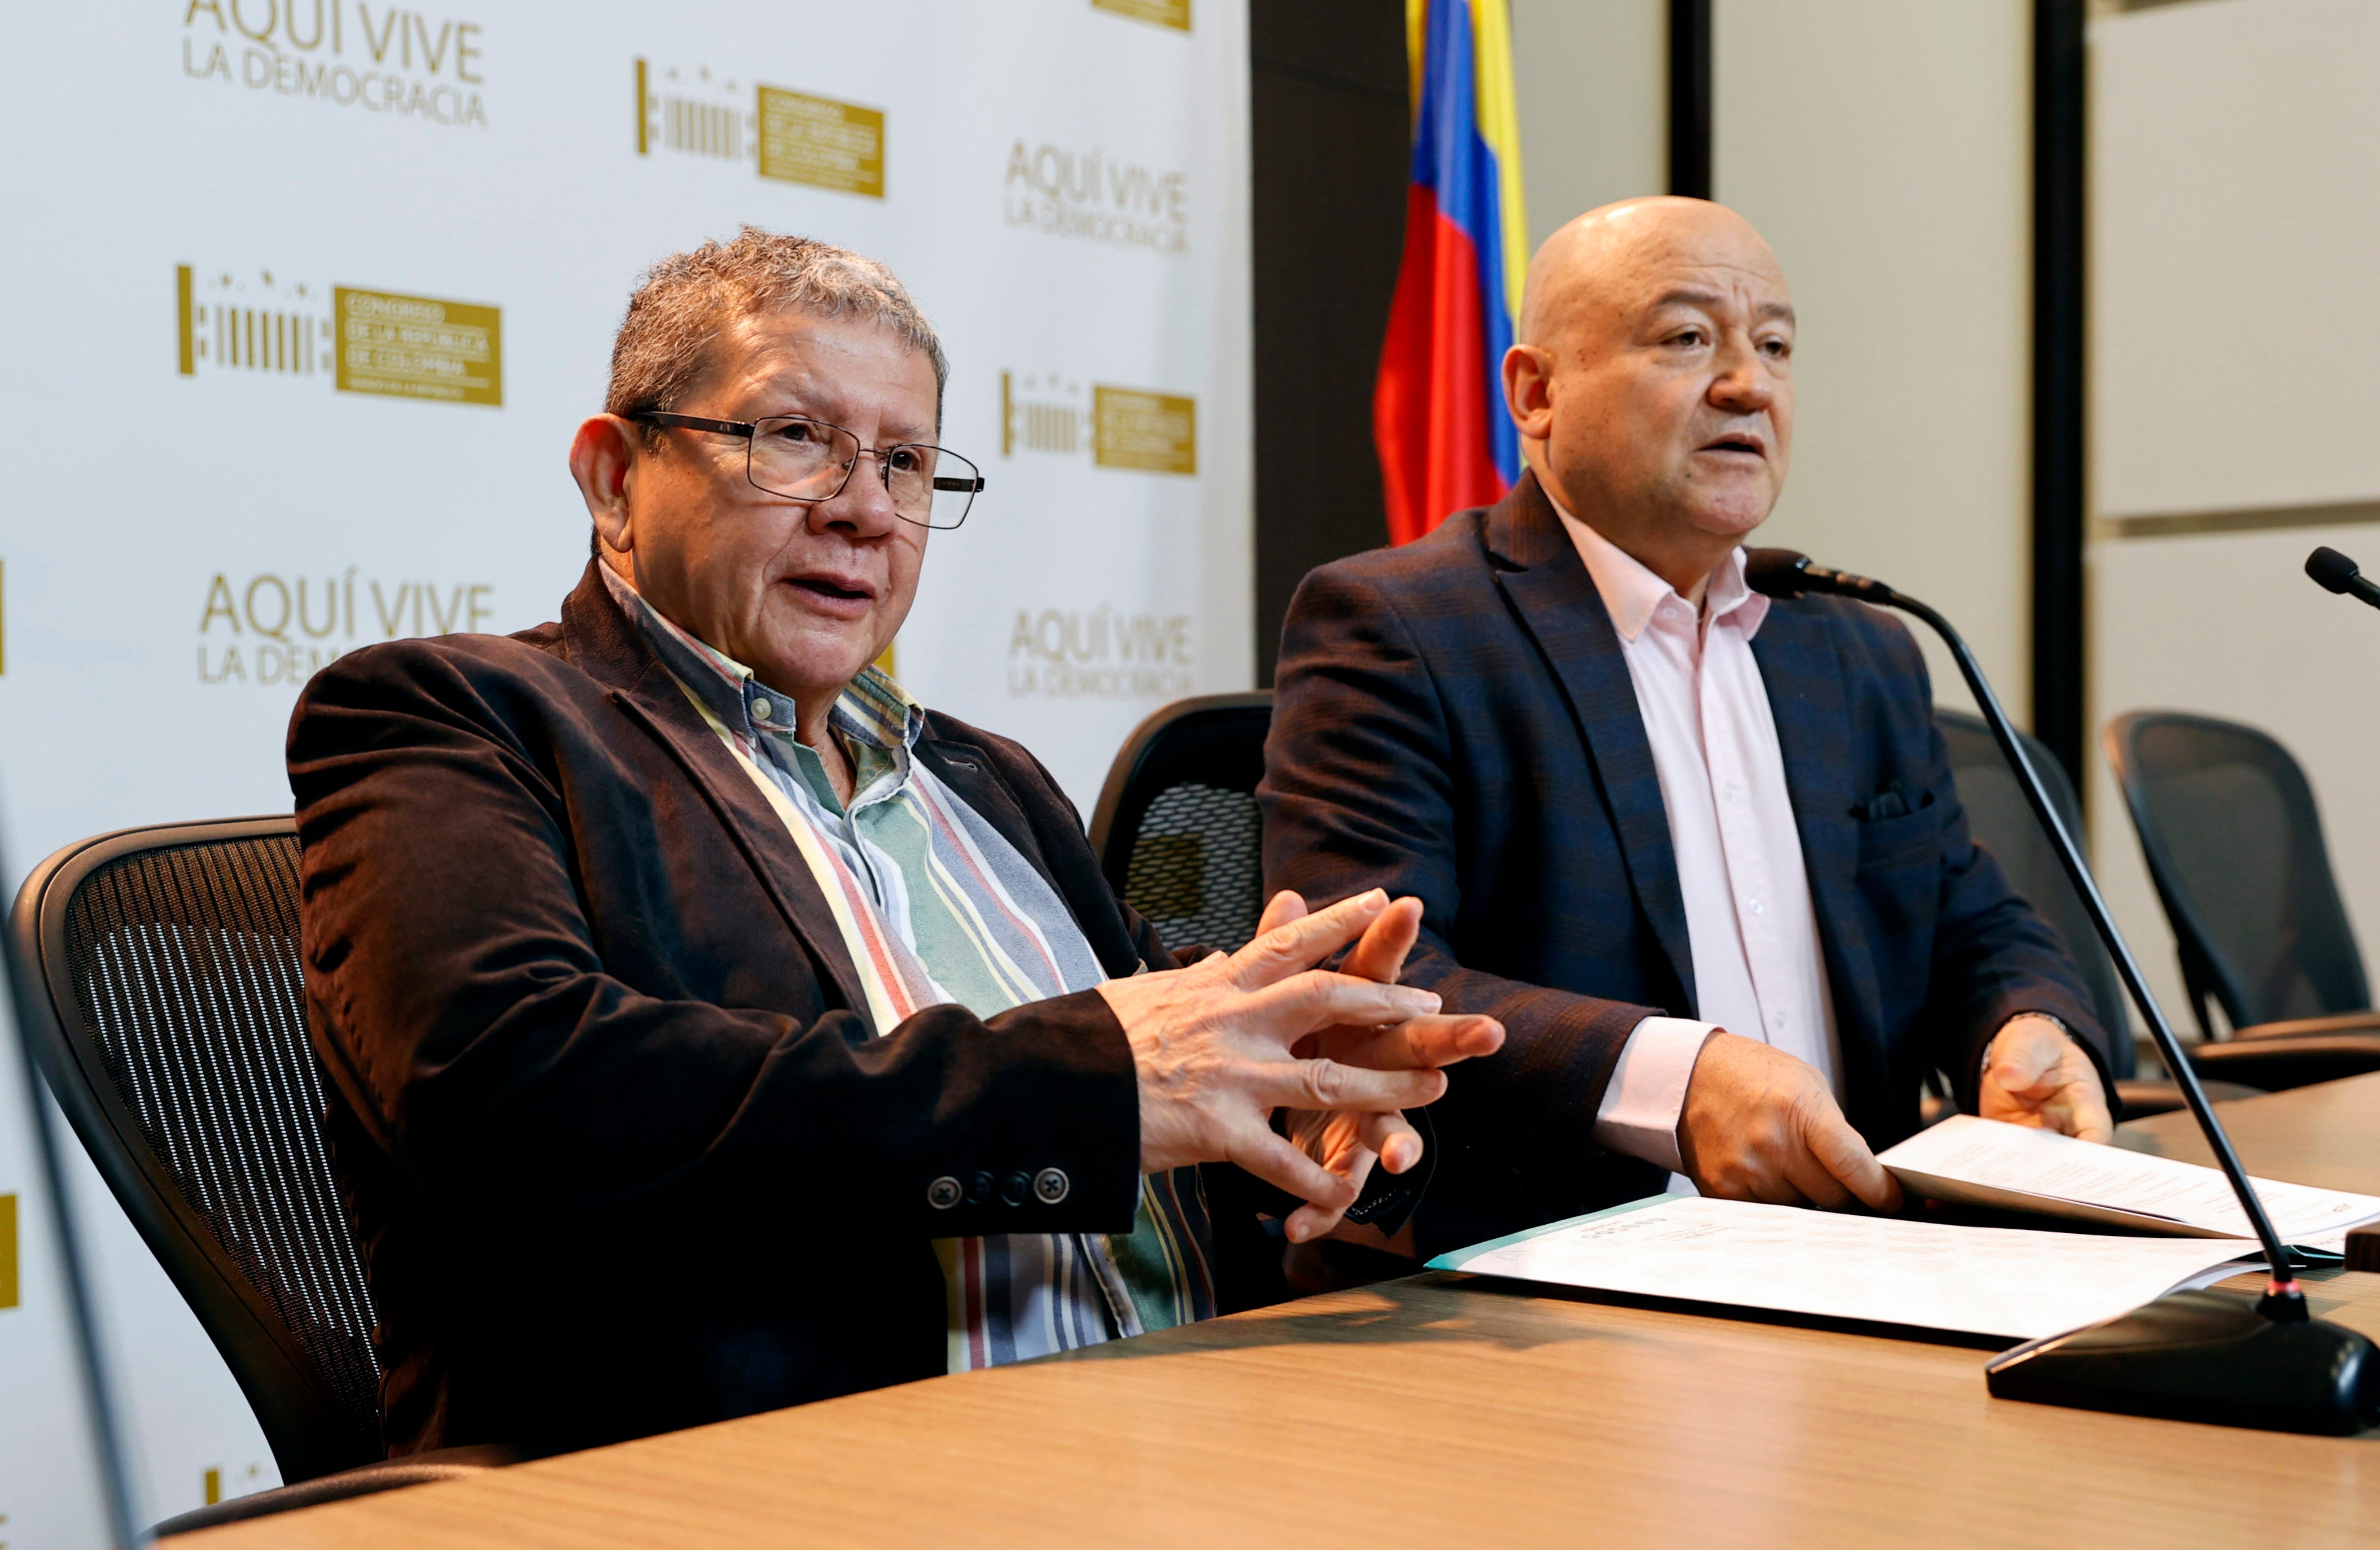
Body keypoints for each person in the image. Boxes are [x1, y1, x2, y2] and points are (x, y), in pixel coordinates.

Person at [288, 228, 1502, 1457]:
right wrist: (1087, 1085)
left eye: (906, 463)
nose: (865, 510)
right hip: (798, 1483)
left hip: (1193, 1433)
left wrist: (1298, 1100)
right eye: (792, 437)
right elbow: (503, 1092)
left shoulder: (988, 779)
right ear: (613, 482)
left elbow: (1151, 1092)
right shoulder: (456, 716)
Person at [1260, 198, 2114, 1260]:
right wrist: (1676, 1080)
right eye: (1686, 338)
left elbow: (1967, 918)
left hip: (1874, 1256)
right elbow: (1366, 979)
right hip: (1559, 1271)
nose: (1748, 384)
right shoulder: (1402, 625)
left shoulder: (1855, 649)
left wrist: (2025, 1026)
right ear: (1535, 393)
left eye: (1774, 347)